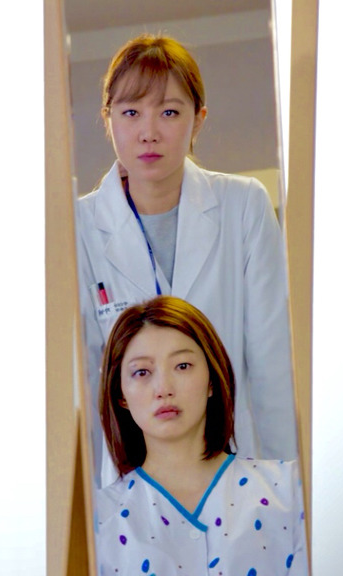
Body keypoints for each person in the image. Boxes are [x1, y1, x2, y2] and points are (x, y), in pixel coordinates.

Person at [77, 34, 296, 485]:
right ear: (108, 119)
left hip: (236, 468)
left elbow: (272, 363)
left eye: (169, 112)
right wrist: (98, 503)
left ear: (199, 119)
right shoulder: (78, 226)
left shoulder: (243, 206)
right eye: (131, 113)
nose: (149, 132)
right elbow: (87, 380)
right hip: (131, 481)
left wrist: (286, 487)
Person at [94, 296, 307, 575]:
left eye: (182, 366)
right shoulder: (98, 521)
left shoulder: (291, 490)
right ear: (120, 394)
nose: (163, 388)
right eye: (142, 372)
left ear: (211, 381)